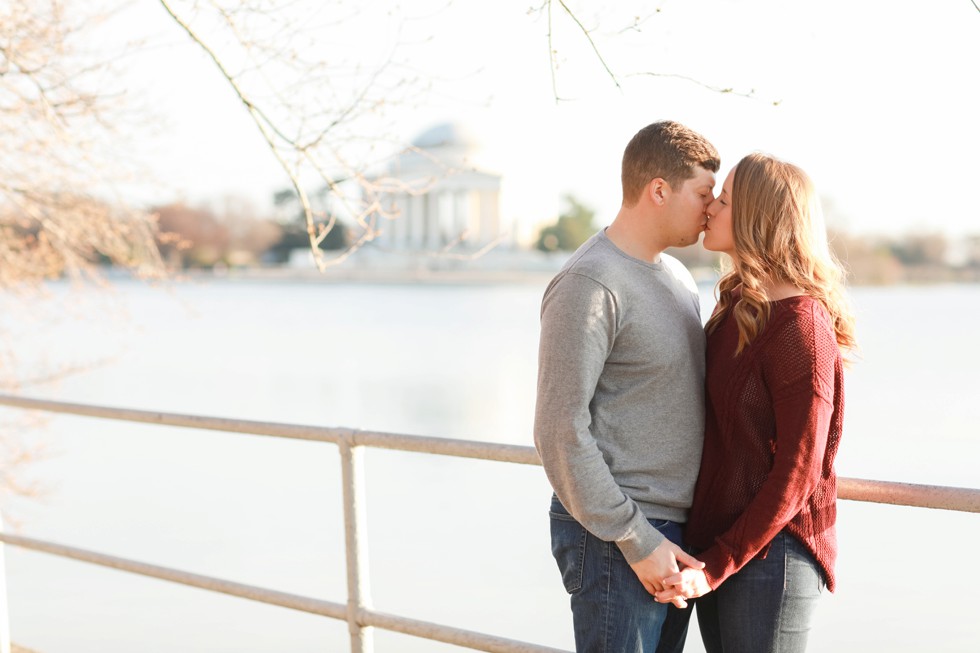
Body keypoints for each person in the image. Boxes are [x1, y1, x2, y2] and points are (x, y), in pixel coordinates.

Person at [655, 152, 857, 653]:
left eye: (722, 201)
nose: (710, 209)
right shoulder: (736, 309)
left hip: (774, 557)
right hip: (718, 549)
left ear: (753, 218)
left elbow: (799, 470)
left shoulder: (801, 328)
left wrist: (719, 564)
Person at [533, 120, 720, 652]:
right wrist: (637, 540)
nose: (710, 208)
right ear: (659, 190)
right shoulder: (591, 284)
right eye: (703, 193)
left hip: (675, 533)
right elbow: (558, 428)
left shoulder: (679, 278)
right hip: (615, 537)